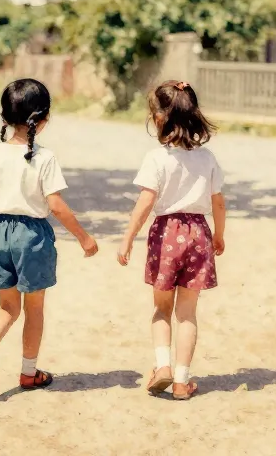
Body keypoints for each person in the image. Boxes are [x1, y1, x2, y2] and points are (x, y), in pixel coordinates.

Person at [0, 78, 99, 399]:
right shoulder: (44, 158)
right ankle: (29, 373)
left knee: (8, 308)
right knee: (34, 309)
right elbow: (56, 206)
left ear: (4, 118)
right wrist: (83, 237)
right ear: (43, 119)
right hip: (31, 236)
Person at [117, 81, 226, 400]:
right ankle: (181, 381)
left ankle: (162, 366)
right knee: (188, 313)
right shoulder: (207, 158)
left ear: (158, 118)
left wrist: (127, 238)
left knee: (161, 309)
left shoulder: (156, 158)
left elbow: (145, 203)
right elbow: (218, 201)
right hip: (198, 235)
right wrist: (219, 234)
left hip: (166, 235)